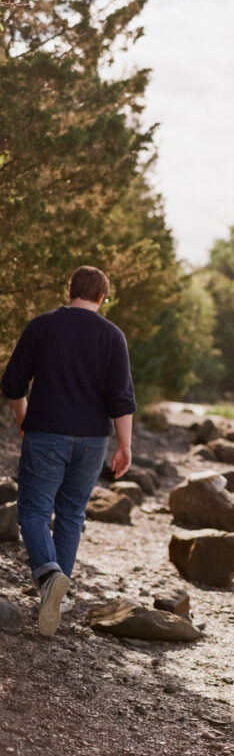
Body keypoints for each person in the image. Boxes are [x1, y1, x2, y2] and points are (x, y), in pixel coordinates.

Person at [1, 266, 136, 636]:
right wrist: (124, 445)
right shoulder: (113, 336)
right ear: (102, 297)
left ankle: (48, 578)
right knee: (72, 514)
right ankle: (55, 591)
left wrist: (23, 416)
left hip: (46, 434)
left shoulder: (42, 325)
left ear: (69, 289)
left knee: (33, 511)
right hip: (94, 440)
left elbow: (13, 383)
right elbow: (121, 399)